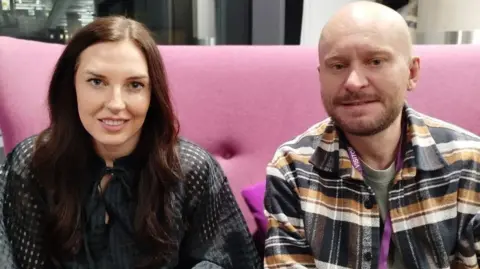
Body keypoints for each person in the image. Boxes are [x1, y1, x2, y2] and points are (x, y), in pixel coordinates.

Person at [0, 16, 260, 269]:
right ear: (71, 86)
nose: (115, 104)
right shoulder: (34, 162)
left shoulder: (190, 167)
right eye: (97, 82)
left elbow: (225, 258)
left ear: (152, 93)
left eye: (134, 85)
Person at [263, 1, 479, 269]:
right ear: (321, 77)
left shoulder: (471, 163)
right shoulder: (291, 169)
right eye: (338, 65)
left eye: (375, 61)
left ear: (411, 73)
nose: (354, 82)